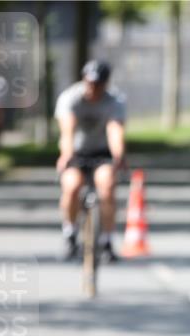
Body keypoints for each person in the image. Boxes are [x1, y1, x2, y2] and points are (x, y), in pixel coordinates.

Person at [55, 60, 127, 261]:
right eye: (89, 83)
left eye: (98, 84)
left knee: (107, 187)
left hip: (102, 152)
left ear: (106, 84)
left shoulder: (115, 101)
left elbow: (115, 131)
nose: (92, 89)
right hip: (76, 152)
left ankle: (107, 240)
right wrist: (66, 155)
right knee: (71, 186)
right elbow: (67, 131)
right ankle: (70, 234)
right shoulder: (71, 98)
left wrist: (119, 156)